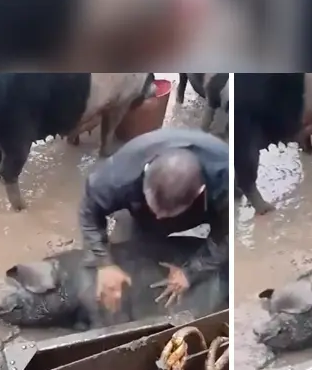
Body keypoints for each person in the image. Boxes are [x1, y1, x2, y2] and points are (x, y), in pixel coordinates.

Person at [78, 128, 230, 312]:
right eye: (154, 208)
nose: (159, 216)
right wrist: (103, 262)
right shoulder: (119, 175)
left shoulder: (225, 176)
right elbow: (89, 213)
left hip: (207, 207)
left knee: (221, 272)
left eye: (166, 213)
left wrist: (191, 272)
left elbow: (227, 237)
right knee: (134, 251)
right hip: (137, 206)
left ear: (199, 192)